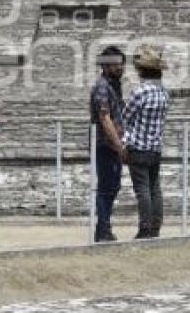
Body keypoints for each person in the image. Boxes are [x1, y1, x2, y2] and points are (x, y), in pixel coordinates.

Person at [120, 46, 170, 239]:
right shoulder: (164, 93)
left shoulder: (139, 92)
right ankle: (155, 227)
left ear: (142, 70)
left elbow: (126, 116)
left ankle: (145, 228)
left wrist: (124, 143)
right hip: (155, 147)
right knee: (154, 188)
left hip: (138, 147)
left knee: (142, 190)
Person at [89, 46, 126, 242]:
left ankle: (104, 226)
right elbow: (105, 118)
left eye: (121, 63)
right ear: (105, 65)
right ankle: (103, 229)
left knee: (113, 185)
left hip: (114, 143)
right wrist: (118, 144)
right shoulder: (102, 86)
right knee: (106, 186)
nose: (120, 67)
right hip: (105, 144)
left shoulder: (114, 86)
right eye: (115, 64)